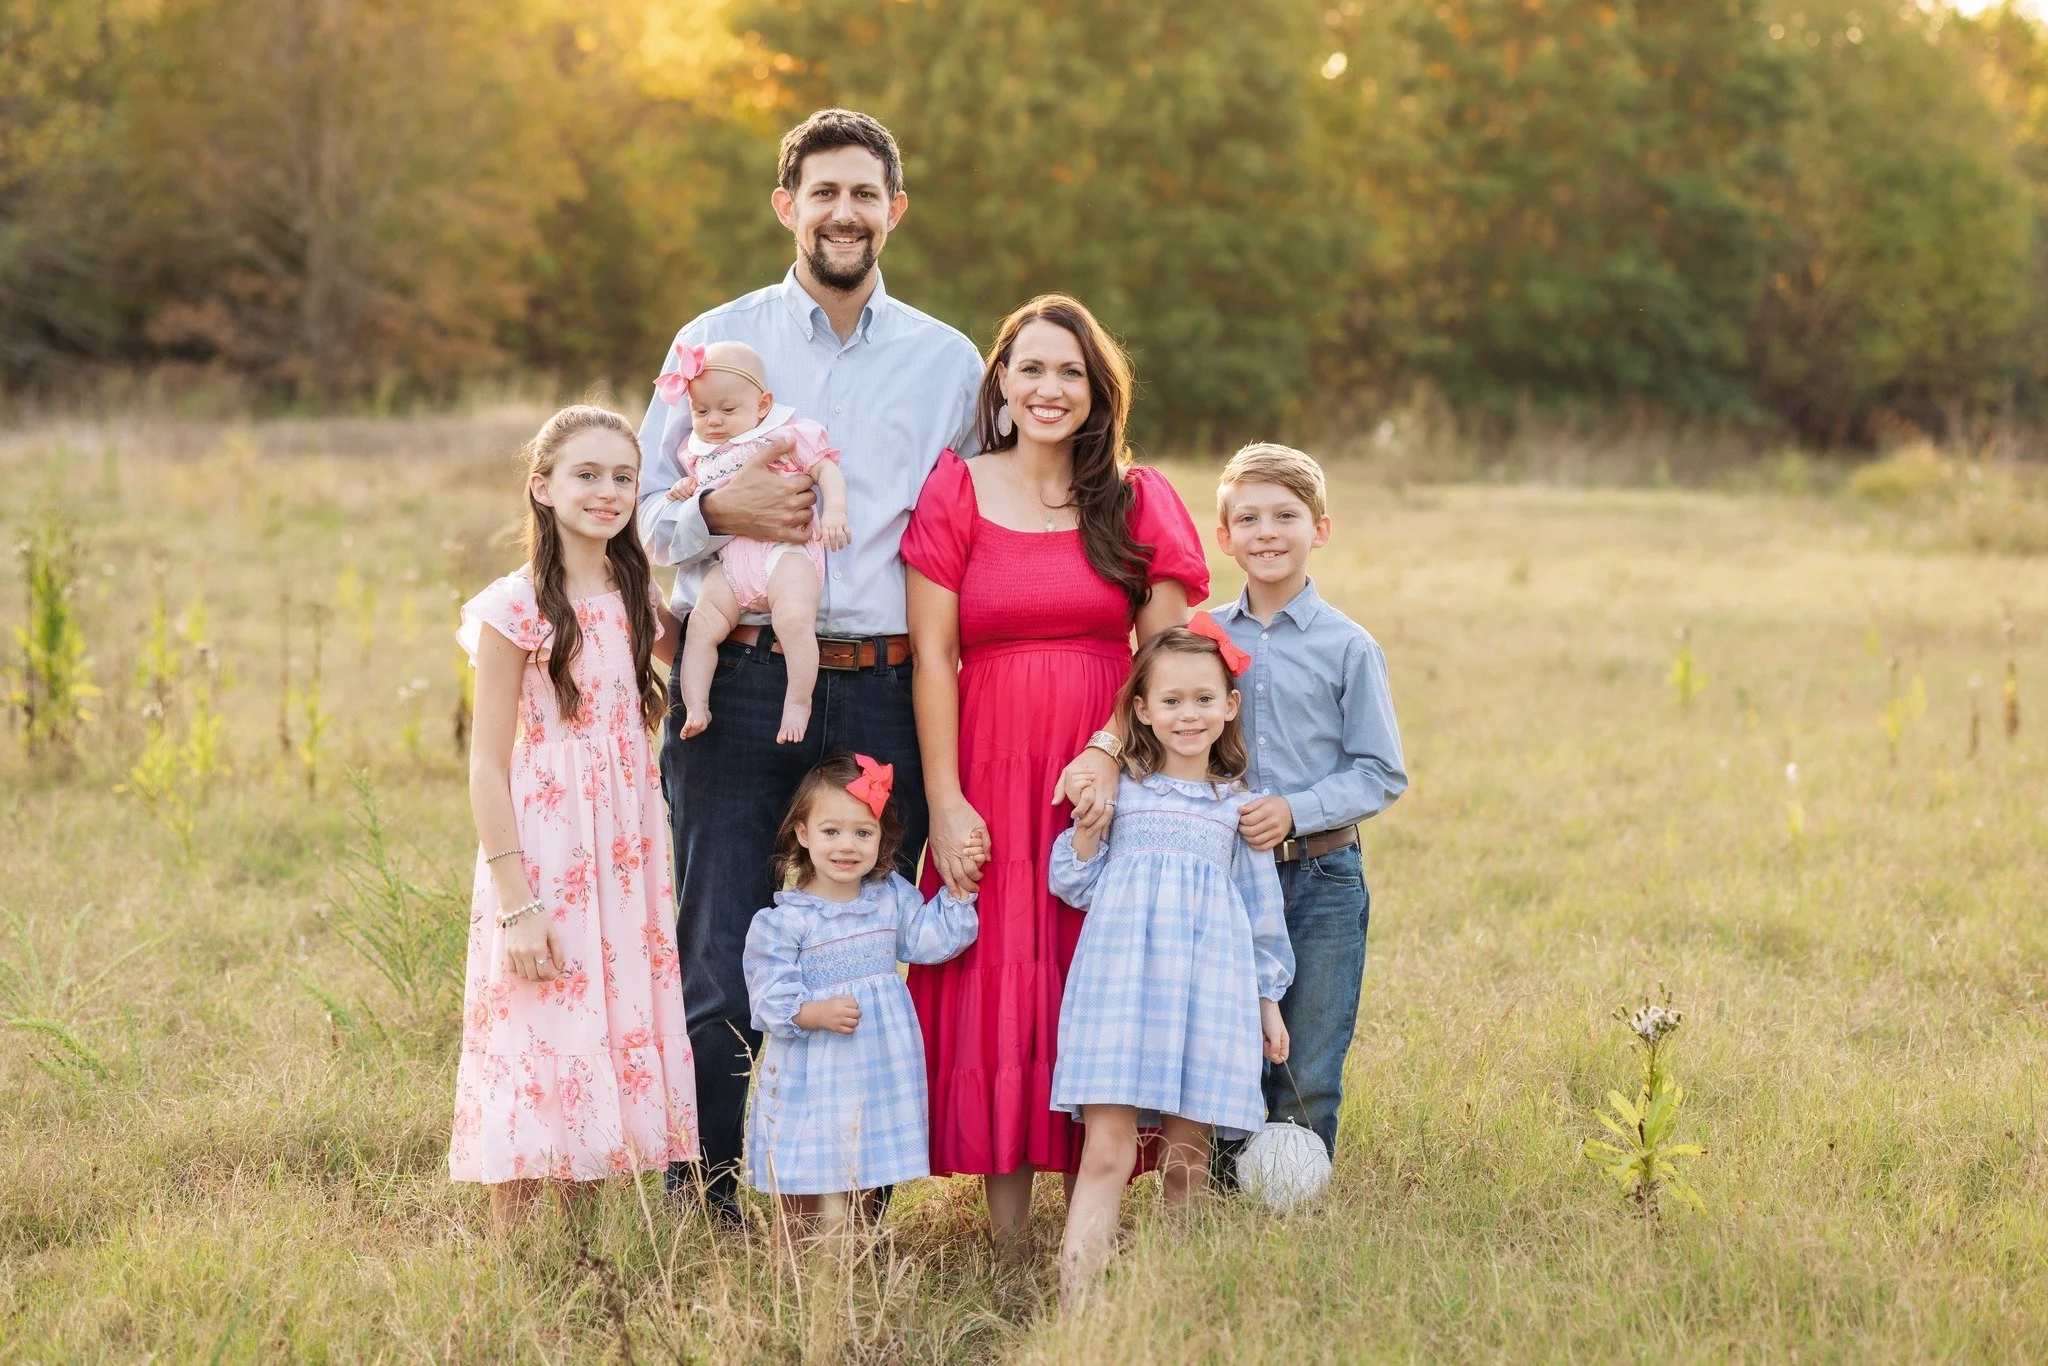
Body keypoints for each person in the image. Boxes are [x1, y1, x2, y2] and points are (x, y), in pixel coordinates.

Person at [636, 108, 983, 1221]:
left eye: (863, 194)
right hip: (734, 682)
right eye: (821, 192)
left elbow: (982, 520)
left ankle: (849, 1212)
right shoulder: (712, 342)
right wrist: (710, 507)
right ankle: (715, 1201)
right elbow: (638, 515)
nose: (843, 212)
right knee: (723, 943)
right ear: (785, 205)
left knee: (859, 943)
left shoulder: (946, 360)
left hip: (880, 693)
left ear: (894, 211)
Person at [902, 293, 1209, 1247]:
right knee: (1000, 973)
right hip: (988, 766)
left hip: (1103, 771)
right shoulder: (955, 487)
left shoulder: (1137, 496)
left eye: (1070, 371)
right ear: (1000, 380)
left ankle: (1102, 1215)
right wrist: (946, 803)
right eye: (1030, 368)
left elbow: (1167, 660)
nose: (1049, 388)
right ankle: (1008, 1244)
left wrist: (1111, 753)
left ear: (1097, 390)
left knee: (1097, 972)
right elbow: (931, 660)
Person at [449, 405, 700, 1227]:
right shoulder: (513, 607)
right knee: (539, 1031)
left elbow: (703, 650)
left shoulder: (637, 593)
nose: (607, 492)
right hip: (548, 852)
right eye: (585, 474)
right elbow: (487, 765)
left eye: (623, 476)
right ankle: (513, 1266)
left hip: (625, 849)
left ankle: (581, 1252)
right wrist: (518, 906)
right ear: (542, 487)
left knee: (604, 1023)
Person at [1047, 624, 1293, 1301]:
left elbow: (1259, 914)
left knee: (1186, 1160)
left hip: (1208, 995)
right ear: (1143, 710)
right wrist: (1088, 831)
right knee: (1107, 1149)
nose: (1189, 716)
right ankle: (1078, 1307)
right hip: (1119, 987)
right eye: (1173, 702)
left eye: (1204, 700)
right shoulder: (1122, 790)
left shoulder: (1238, 808)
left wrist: (1267, 1002)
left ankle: (1170, 1304)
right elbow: (1072, 883)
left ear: (1230, 707)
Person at [1209, 443, 1406, 1163]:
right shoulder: (1204, 637)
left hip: (1322, 876)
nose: (1267, 532)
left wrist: (1296, 809)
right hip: (1225, 876)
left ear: (1320, 529)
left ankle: (1291, 1191)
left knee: (1307, 1056)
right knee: (1229, 1045)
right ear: (1224, 537)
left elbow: (1381, 771)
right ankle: (1222, 1190)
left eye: (1286, 515)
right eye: (1249, 517)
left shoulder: (1348, 646)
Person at [741, 753, 979, 1238]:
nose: (846, 846)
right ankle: (798, 1262)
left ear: (882, 840)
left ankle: (852, 1258)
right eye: (831, 832)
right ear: (803, 834)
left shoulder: (888, 896)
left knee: (864, 1164)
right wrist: (813, 1012)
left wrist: (960, 890)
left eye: (863, 833)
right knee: (807, 1166)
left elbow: (928, 939)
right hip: (813, 1069)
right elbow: (767, 995)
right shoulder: (786, 920)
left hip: (875, 1067)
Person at [653, 339, 850, 744]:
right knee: (702, 626)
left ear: (762, 405)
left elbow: (826, 470)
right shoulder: (700, 453)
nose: (714, 422)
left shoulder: (784, 436)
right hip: (729, 565)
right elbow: (699, 490)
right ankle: (696, 705)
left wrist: (835, 513)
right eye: (701, 411)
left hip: (786, 553)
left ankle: (797, 701)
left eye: (728, 410)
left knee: (793, 618)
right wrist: (684, 489)